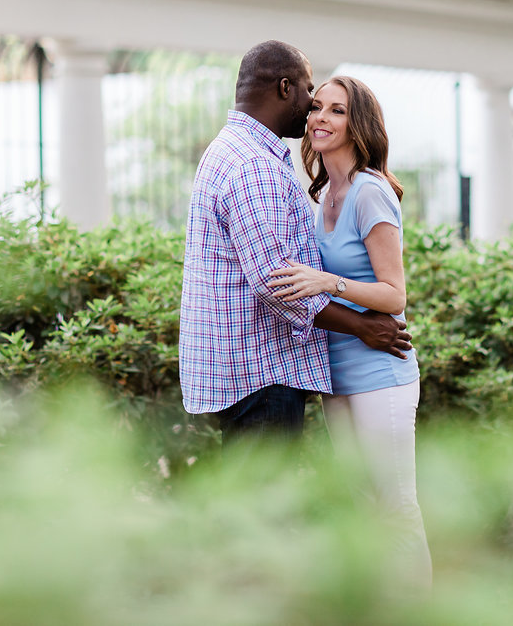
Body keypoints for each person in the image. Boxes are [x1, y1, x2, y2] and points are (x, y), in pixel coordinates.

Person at [179, 41, 412, 450]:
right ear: (285, 88)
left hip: (260, 372)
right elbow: (277, 282)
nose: (312, 110)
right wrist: (361, 326)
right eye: (309, 94)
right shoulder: (255, 166)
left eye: (333, 108)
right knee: (264, 507)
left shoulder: (235, 150)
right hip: (262, 373)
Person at [266, 75, 432, 586]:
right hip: (334, 375)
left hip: (381, 373)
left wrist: (326, 280)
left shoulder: (369, 192)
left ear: (357, 124)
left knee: (395, 504)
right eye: (316, 107)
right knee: (362, 506)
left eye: (336, 111)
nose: (319, 118)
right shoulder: (323, 195)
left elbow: (394, 295)